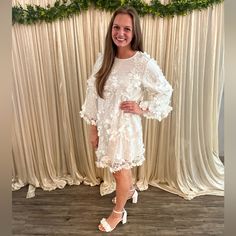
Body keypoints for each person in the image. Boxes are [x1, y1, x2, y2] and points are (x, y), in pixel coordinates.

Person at [80, 6, 173, 232]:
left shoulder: (142, 63)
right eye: (116, 27)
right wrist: (93, 128)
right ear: (111, 29)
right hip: (105, 126)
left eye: (127, 29)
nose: (120, 33)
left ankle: (118, 213)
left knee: (120, 171)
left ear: (134, 32)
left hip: (125, 130)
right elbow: (94, 93)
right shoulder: (104, 58)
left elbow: (165, 91)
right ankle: (129, 191)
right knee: (115, 169)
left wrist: (142, 108)